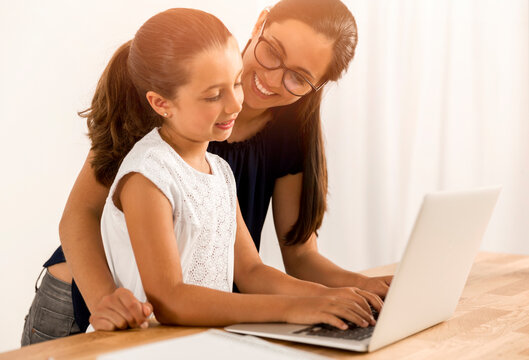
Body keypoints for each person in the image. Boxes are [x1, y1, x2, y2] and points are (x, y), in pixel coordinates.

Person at [28, 0, 392, 338]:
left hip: (183, 326)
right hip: (85, 305)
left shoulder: (230, 161)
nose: (269, 79)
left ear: (316, 85)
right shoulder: (169, 106)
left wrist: (356, 291)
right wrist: (106, 301)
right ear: (260, 24)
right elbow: (81, 215)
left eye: (298, 77)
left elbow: (267, 265)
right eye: (272, 52)